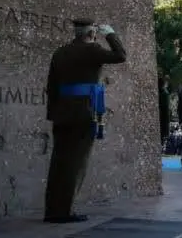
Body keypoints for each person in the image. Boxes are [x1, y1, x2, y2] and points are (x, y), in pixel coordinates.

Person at [43, 19, 127, 224]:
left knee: (59, 162)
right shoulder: (92, 50)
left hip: (62, 113)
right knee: (75, 163)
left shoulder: (60, 52)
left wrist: (54, 113)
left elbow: (51, 87)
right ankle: (63, 212)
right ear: (91, 34)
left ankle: (52, 209)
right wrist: (110, 34)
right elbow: (120, 55)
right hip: (84, 112)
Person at [158, 76, 171, 149]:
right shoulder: (165, 93)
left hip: (160, 115)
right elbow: (166, 107)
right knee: (162, 134)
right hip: (163, 116)